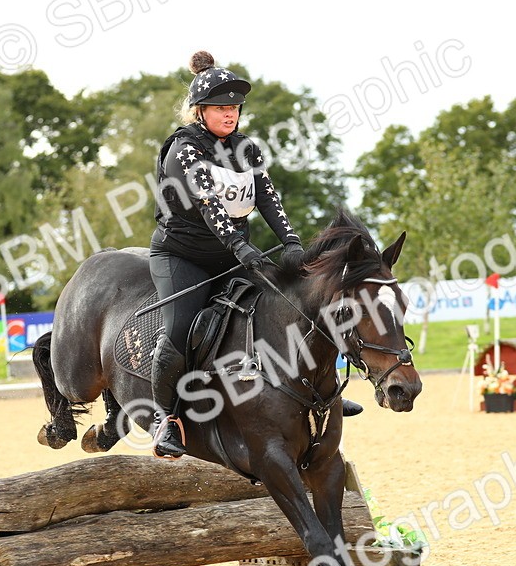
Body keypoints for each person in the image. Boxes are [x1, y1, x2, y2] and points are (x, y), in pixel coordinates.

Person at [148, 51, 359, 459]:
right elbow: (210, 205)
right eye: (221, 108)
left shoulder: (246, 149)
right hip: (182, 256)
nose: (230, 114)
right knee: (180, 328)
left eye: (235, 108)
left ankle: (324, 394)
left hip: (233, 253)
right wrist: (241, 247)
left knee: (293, 306)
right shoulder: (184, 150)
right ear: (200, 111)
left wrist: (292, 241)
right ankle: (166, 418)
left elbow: (267, 198)